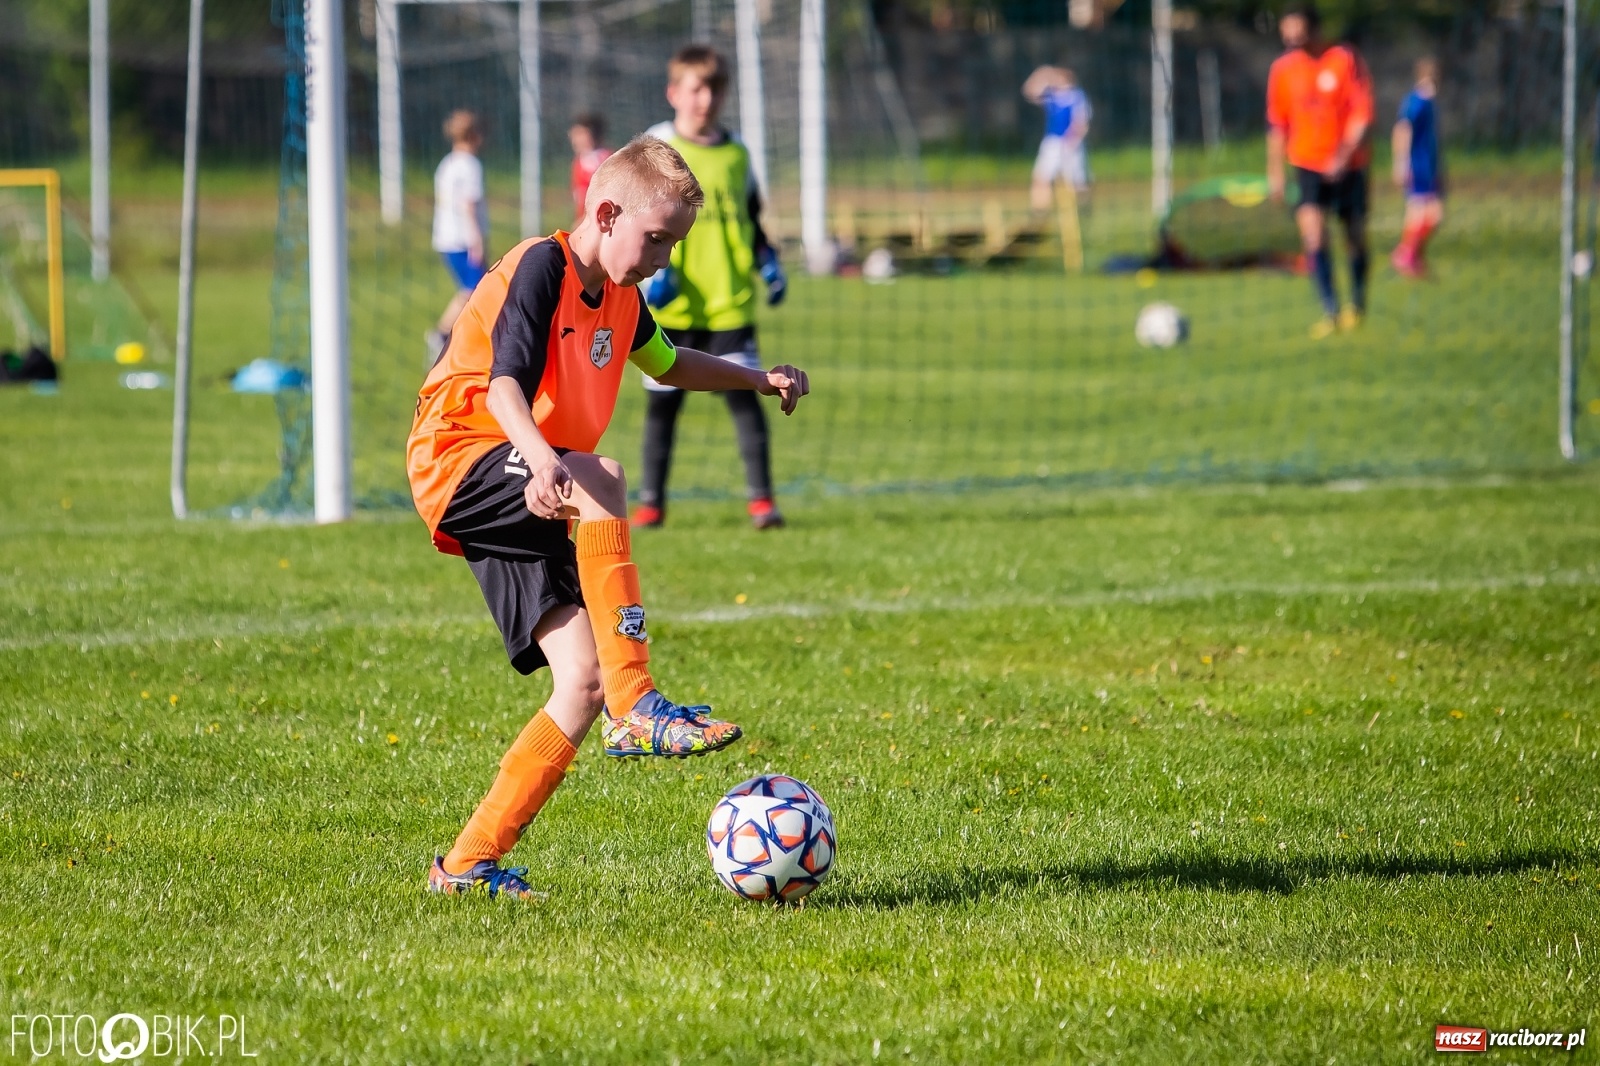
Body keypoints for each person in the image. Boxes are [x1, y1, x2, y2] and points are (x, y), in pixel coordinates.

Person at [407, 136, 810, 899]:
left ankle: (465, 865)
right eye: (655, 238)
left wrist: (758, 378)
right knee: (604, 475)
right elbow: (501, 391)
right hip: (462, 453)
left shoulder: (623, 297)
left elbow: (669, 362)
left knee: (578, 682)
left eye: (673, 243)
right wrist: (545, 459)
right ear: (605, 209)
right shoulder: (543, 267)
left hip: (532, 471)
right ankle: (638, 703)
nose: (663, 256)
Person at [633, 44, 789, 531]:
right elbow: (636, 216)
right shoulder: (657, 146)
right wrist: (655, 272)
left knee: (747, 402)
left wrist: (767, 262)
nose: (707, 99)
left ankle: (763, 503)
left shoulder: (738, 152)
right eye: (697, 89)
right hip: (672, 306)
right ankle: (651, 504)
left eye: (715, 89)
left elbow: (752, 219)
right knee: (663, 406)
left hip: (729, 304)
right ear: (674, 92)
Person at [1266, 3, 1375, 339]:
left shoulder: (1343, 59)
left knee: (1353, 236)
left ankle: (1356, 306)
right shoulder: (1283, 70)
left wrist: (1343, 154)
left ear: (1315, 30)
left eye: (1300, 35)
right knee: (1313, 234)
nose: (1294, 43)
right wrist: (1276, 172)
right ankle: (1330, 311)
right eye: (1288, 38)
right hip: (1306, 163)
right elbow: (1277, 124)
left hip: (1348, 164)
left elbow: (1362, 113)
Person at [427, 110, 490, 363]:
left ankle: (456, 339)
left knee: (474, 289)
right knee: (477, 290)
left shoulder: (447, 163)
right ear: (475, 135)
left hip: (445, 238)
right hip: (463, 240)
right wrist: (477, 240)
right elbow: (468, 205)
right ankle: (442, 336)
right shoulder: (470, 165)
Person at [1391, 57, 1444, 278]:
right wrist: (1401, 163)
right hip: (1418, 166)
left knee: (1424, 215)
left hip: (1429, 167)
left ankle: (1412, 258)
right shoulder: (1417, 102)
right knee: (1429, 214)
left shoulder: (1428, 102)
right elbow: (1402, 130)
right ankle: (1405, 255)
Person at [1022, 65, 1092, 214]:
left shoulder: (1077, 96)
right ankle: (1039, 211)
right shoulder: (1051, 96)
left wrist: (1072, 140)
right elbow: (1029, 91)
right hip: (1052, 142)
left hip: (1071, 142)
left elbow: (1082, 122)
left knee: (1077, 181)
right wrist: (1043, 72)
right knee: (1041, 178)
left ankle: (1083, 210)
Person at [568, 113, 613, 222]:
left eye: (580, 134)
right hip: (584, 221)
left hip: (603, 222)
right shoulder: (578, 163)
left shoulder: (607, 160)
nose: (575, 140)